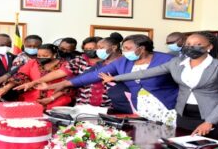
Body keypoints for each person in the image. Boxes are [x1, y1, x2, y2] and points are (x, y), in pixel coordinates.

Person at [101, 32, 218, 141]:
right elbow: (145, 73)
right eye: (188, 44)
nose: (191, 46)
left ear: (209, 47)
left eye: (197, 44)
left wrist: (210, 122)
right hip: (185, 116)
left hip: (215, 119)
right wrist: (114, 78)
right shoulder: (177, 63)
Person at [48, 35, 178, 124]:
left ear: (142, 48)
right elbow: (95, 75)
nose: (125, 51)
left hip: (166, 106)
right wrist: (67, 83)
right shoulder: (123, 62)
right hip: (140, 106)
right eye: (123, 48)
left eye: (128, 48)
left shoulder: (166, 59)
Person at [0, 44, 73, 109]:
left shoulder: (66, 65)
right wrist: (5, 88)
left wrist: (51, 98)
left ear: (54, 55)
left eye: (45, 55)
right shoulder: (32, 62)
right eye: (38, 55)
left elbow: (68, 85)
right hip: (31, 99)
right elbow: (20, 76)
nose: (40, 57)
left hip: (57, 100)